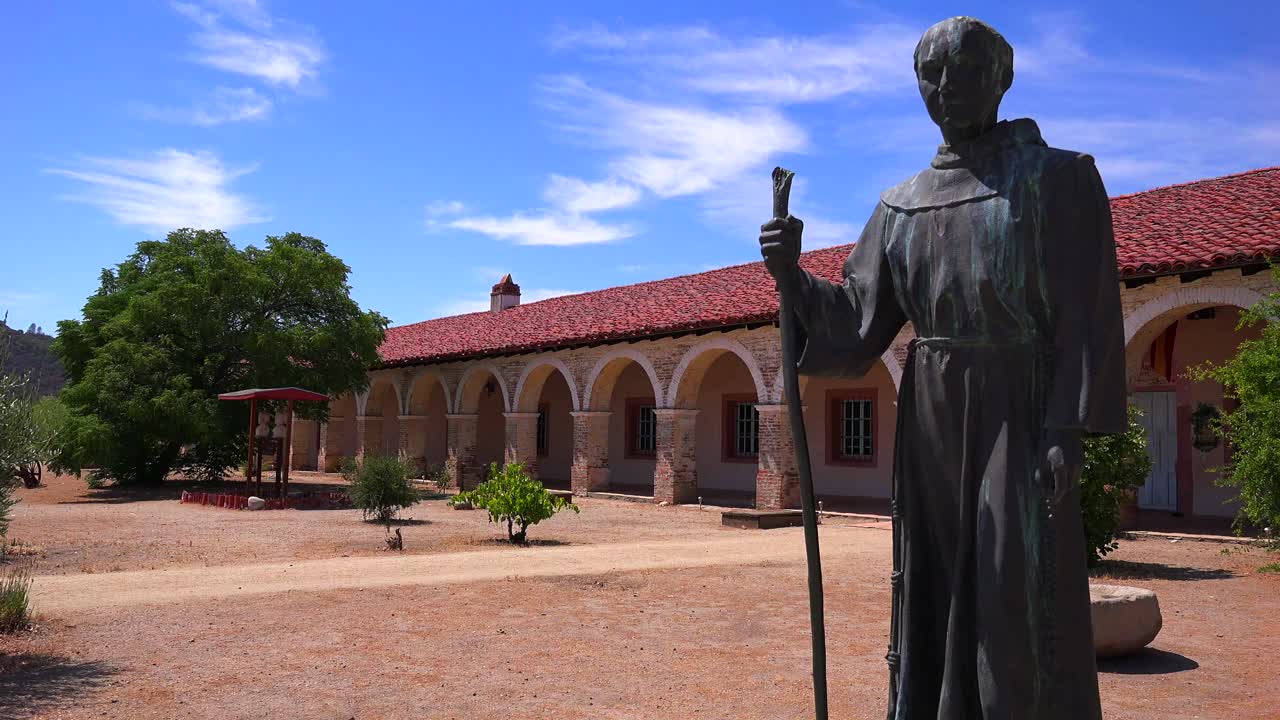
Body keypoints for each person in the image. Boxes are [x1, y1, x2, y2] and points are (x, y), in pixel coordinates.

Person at [759, 16, 1126, 720]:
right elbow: (859, 321)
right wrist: (793, 277)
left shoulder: (1058, 179)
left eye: (964, 72)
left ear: (1001, 78)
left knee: (1010, 582)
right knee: (935, 582)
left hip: (1020, 406)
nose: (946, 87)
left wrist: (1066, 427)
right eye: (931, 74)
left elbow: (1086, 311)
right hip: (932, 415)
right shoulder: (901, 205)